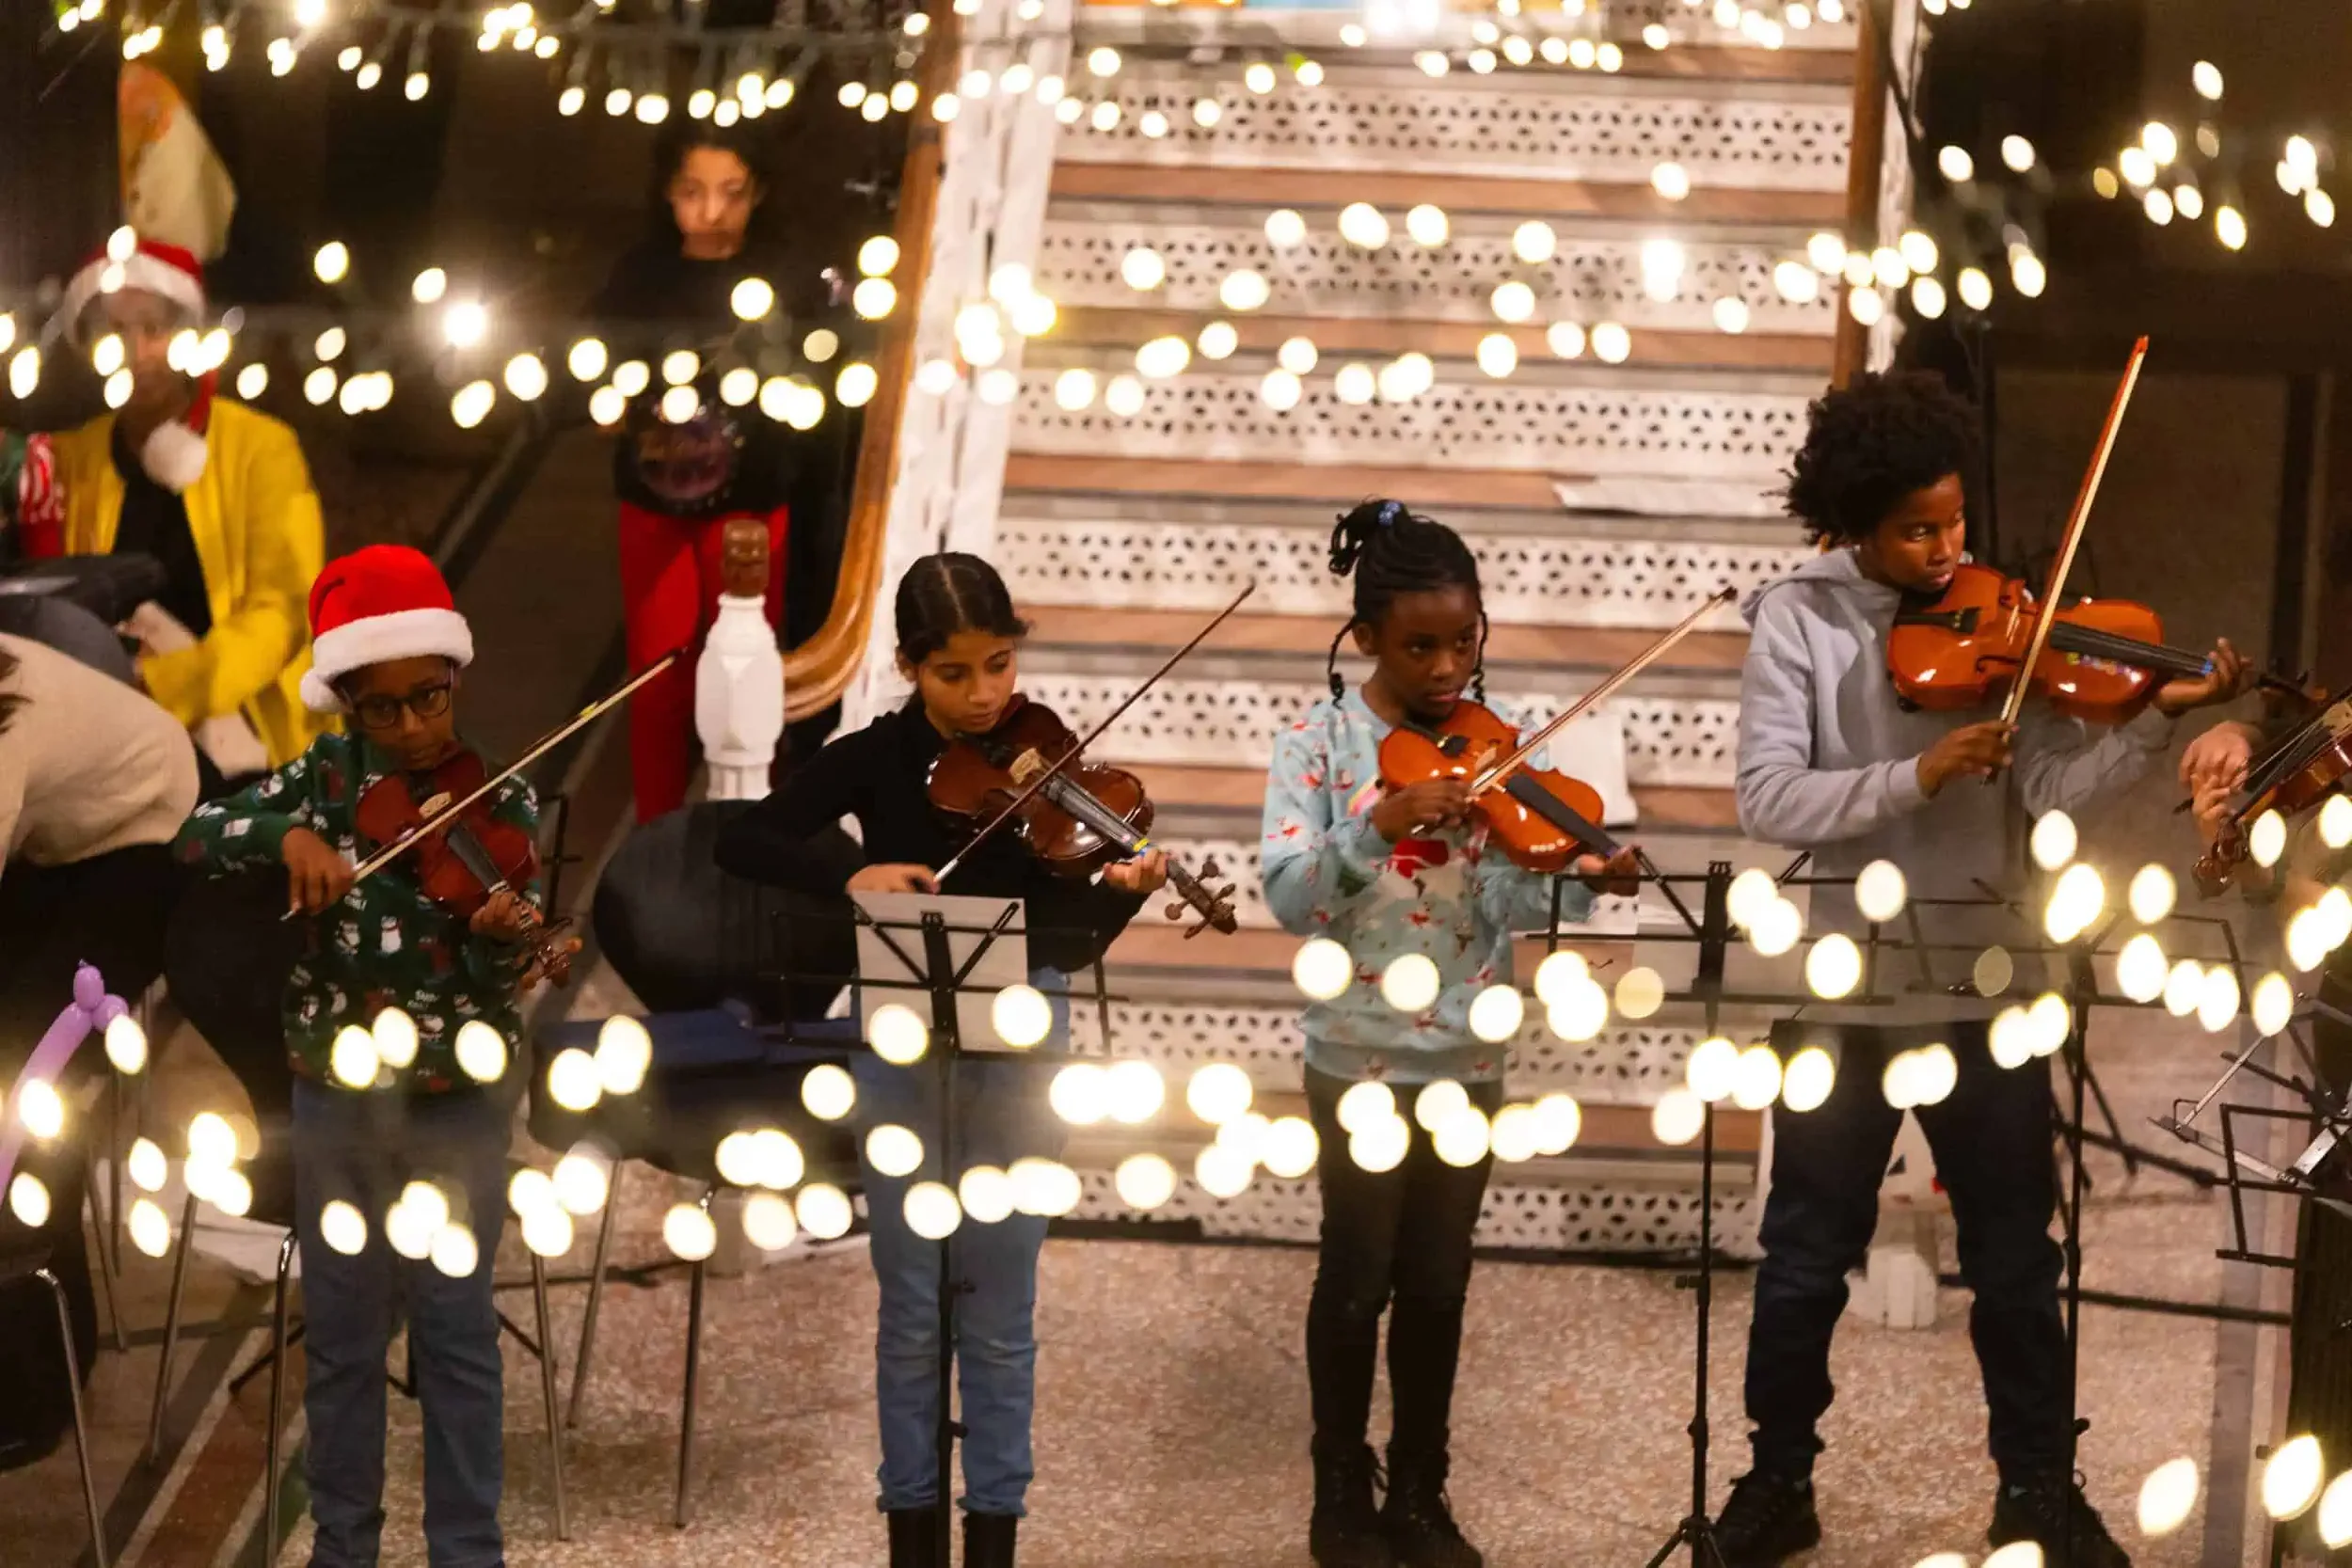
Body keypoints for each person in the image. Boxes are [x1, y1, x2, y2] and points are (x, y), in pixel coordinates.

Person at [1712, 371, 2249, 1568]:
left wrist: (2152, 719)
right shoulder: (1795, 618)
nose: (1948, 547)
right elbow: (1766, 798)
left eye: (1953, 520)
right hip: (1843, 975)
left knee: (2015, 1251)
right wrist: (1920, 772)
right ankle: (1777, 1480)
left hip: (1985, 972)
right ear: (1853, 521)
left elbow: (2053, 783)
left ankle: (2038, 1489)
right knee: (1807, 1246)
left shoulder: (2002, 615)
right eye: (1917, 529)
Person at [714, 552, 1168, 1568]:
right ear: (911, 666)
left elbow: (1062, 941)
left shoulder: (1045, 763)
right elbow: (744, 839)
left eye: (999, 664)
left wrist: (1121, 893)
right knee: (910, 1307)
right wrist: (852, 870)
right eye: (954, 673)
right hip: (901, 1047)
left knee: (1001, 1313)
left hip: (1018, 1048)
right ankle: (910, 1534)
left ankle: (994, 1536)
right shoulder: (875, 758)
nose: (983, 695)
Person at [172, 544, 572, 1568]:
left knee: (454, 1332)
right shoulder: (323, 781)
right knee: (343, 1337)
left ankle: (466, 1548)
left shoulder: (502, 802)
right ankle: (341, 1546)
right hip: (337, 1092)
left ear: (455, 680)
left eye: (429, 700)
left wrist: (503, 941)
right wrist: (284, 839)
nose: (409, 729)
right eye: (381, 710)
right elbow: (198, 828)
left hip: (458, 1097)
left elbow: (496, 987)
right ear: (346, 702)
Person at [1260, 500, 1640, 1568]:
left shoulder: (1501, 751)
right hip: (1356, 1051)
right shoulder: (1319, 744)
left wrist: (1580, 874)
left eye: (1463, 643)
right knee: (1354, 1274)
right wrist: (1369, 824)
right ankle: (1341, 1483)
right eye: (1419, 644)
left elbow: (1513, 914)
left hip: (1468, 1051)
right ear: (1367, 637)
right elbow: (1290, 895)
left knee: (1437, 1280)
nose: (1445, 667)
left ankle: (1422, 1485)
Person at [0, 631, 199, 1467]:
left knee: (23, 1080)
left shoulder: (11, 736)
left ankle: (40, 1378)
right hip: (55, 844)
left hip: (149, 844)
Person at [43, 235, 327, 781]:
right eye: (116, 331)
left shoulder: (263, 448)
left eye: (154, 327)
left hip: (252, 747)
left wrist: (161, 688)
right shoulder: (71, 457)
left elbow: (285, 609)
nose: (137, 350)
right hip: (108, 743)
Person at [592, 122, 796, 822]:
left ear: (758, 194)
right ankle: (656, 834)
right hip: (655, 498)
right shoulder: (638, 277)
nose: (711, 212)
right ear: (667, 194)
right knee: (657, 680)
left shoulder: (780, 278)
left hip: (752, 499)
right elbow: (594, 372)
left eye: (731, 193)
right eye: (692, 192)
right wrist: (611, 402)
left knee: (746, 669)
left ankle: (744, 820)